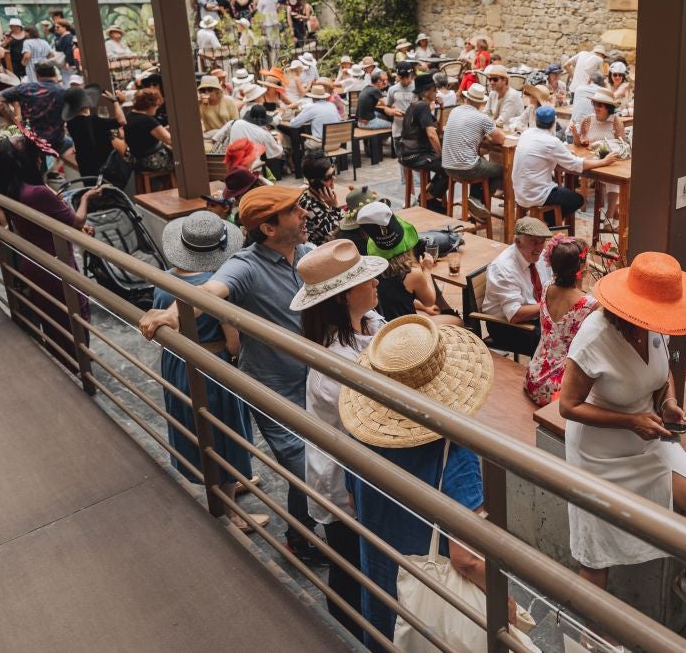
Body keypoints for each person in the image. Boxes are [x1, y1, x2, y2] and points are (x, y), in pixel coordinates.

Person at [139, 185, 325, 563]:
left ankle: (301, 537)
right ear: (269, 229)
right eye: (294, 210)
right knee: (306, 469)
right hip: (275, 391)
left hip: (316, 381)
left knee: (322, 465)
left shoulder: (307, 254)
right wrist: (173, 315)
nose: (305, 214)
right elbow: (210, 290)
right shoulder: (245, 265)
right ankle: (303, 540)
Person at [559, 252, 686, 642]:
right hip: (597, 453)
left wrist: (667, 401)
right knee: (596, 557)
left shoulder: (656, 322)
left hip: (647, 438)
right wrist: (630, 421)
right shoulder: (595, 336)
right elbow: (568, 406)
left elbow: (663, 367)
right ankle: (589, 637)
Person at [338, 314, 509, 644]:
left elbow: (352, 499)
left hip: (380, 575)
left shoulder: (359, 432)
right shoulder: (454, 452)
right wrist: (504, 605)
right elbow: (467, 558)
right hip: (430, 596)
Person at [289, 238, 389, 636]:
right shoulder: (333, 366)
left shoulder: (370, 323)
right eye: (367, 279)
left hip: (364, 473)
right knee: (351, 568)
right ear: (347, 295)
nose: (377, 282)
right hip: (347, 480)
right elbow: (363, 427)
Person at [154, 212, 265, 535]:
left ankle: (220, 482)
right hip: (212, 366)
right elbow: (232, 343)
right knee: (225, 431)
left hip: (177, 362)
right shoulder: (214, 290)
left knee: (195, 426)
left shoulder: (164, 278)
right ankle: (229, 509)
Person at [0, 132, 106, 366]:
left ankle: (69, 359)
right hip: (56, 262)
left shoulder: (11, 187)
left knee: (53, 316)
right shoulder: (38, 192)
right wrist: (86, 198)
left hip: (34, 261)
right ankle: (78, 364)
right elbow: (76, 221)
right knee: (76, 312)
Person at [355, 201, 459, 324]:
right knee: (457, 321)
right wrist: (426, 270)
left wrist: (423, 308)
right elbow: (430, 301)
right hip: (407, 330)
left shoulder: (373, 269)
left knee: (428, 312)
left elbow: (396, 298)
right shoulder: (412, 274)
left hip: (384, 325)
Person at [511, 105, 617, 224]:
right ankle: (549, 223)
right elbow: (576, 165)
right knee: (577, 199)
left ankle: (544, 220)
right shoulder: (552, 142)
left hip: (519, 191)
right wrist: (603, 161)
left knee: (561, 192)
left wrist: (563, 154)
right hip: (536, 194)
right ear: (554, 122)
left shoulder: (527, 134)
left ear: (536, 120)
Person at [523, 235, 596, 406]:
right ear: (581, 268)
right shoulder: (589, 304)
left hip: (534, 378)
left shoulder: (547, 287)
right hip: (560, 391)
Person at [480, 217, 552, 355]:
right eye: (534, 242)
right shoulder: (503, 268)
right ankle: (542, 375)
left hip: (533, 315)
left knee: (568, 328)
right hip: (505, 325)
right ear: (518, 241)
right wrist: (550, 303)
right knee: (551, 341)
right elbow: (515, 314)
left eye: (542, 242)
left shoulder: (541, 255)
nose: (539, 248)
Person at [442, 83, 505, 212]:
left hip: (447, 166)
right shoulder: (482, 118)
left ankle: (475, 200)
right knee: (503, 171)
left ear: (467, 98)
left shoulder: (455, 110)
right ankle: (480, 201)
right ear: (481, 103)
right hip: (466, 168)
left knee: (480, 160)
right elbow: (501, 139)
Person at [571, 87, 627, 221]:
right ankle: (611, 215)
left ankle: (609, 214)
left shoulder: (615, 121)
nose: (596, 107)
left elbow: (623, 145)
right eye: (594, 103)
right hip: (592, 161)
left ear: (608, 107)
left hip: (610, 159)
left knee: (613, 179)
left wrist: (604, 148)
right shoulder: (588, 120)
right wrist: (576, 136)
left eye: (599, 105)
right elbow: (579, 144)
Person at [0, 62, 72, 162]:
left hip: (32, 141)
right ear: (54, 73)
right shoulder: (63, 91)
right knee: (71, 144)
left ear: (37, 75)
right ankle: (57, 172)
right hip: (56, 141)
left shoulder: (26, 88)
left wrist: (12, 117)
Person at [398, 73, 448, 213]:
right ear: (427, 92)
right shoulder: (423, 107)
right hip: (414, 155)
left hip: (406, 153)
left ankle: (427, 196)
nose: (436, 92)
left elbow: (438, 128)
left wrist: (442, 108)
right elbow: (432, 136)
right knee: (449, 168)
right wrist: (441, 155)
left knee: (443, 166)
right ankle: (427, 199)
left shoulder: (418, 105)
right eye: (434, 90)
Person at [63, 86, 125, 178]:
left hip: (85, 165)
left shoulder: (71, 122)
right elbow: (121, 121)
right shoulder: (92, 120)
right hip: (102, 167)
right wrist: (115, 102)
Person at [124, 87, 174, 173]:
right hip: (151, 162)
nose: (157, 108)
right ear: (150, 105)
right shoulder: (147, 120)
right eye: (157, 105)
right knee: (181, 162)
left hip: (136, 160)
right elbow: (171, 140)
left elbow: (145, 134)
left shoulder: (130, 115)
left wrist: (164, 129)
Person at [298, 154, 344, 245]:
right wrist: (334, 206)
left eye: (333, 173)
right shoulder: (308, 204)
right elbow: (335, 232)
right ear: (313, 181)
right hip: (322, 249)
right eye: (328, 177)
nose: (334, 178)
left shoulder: (318, 195)